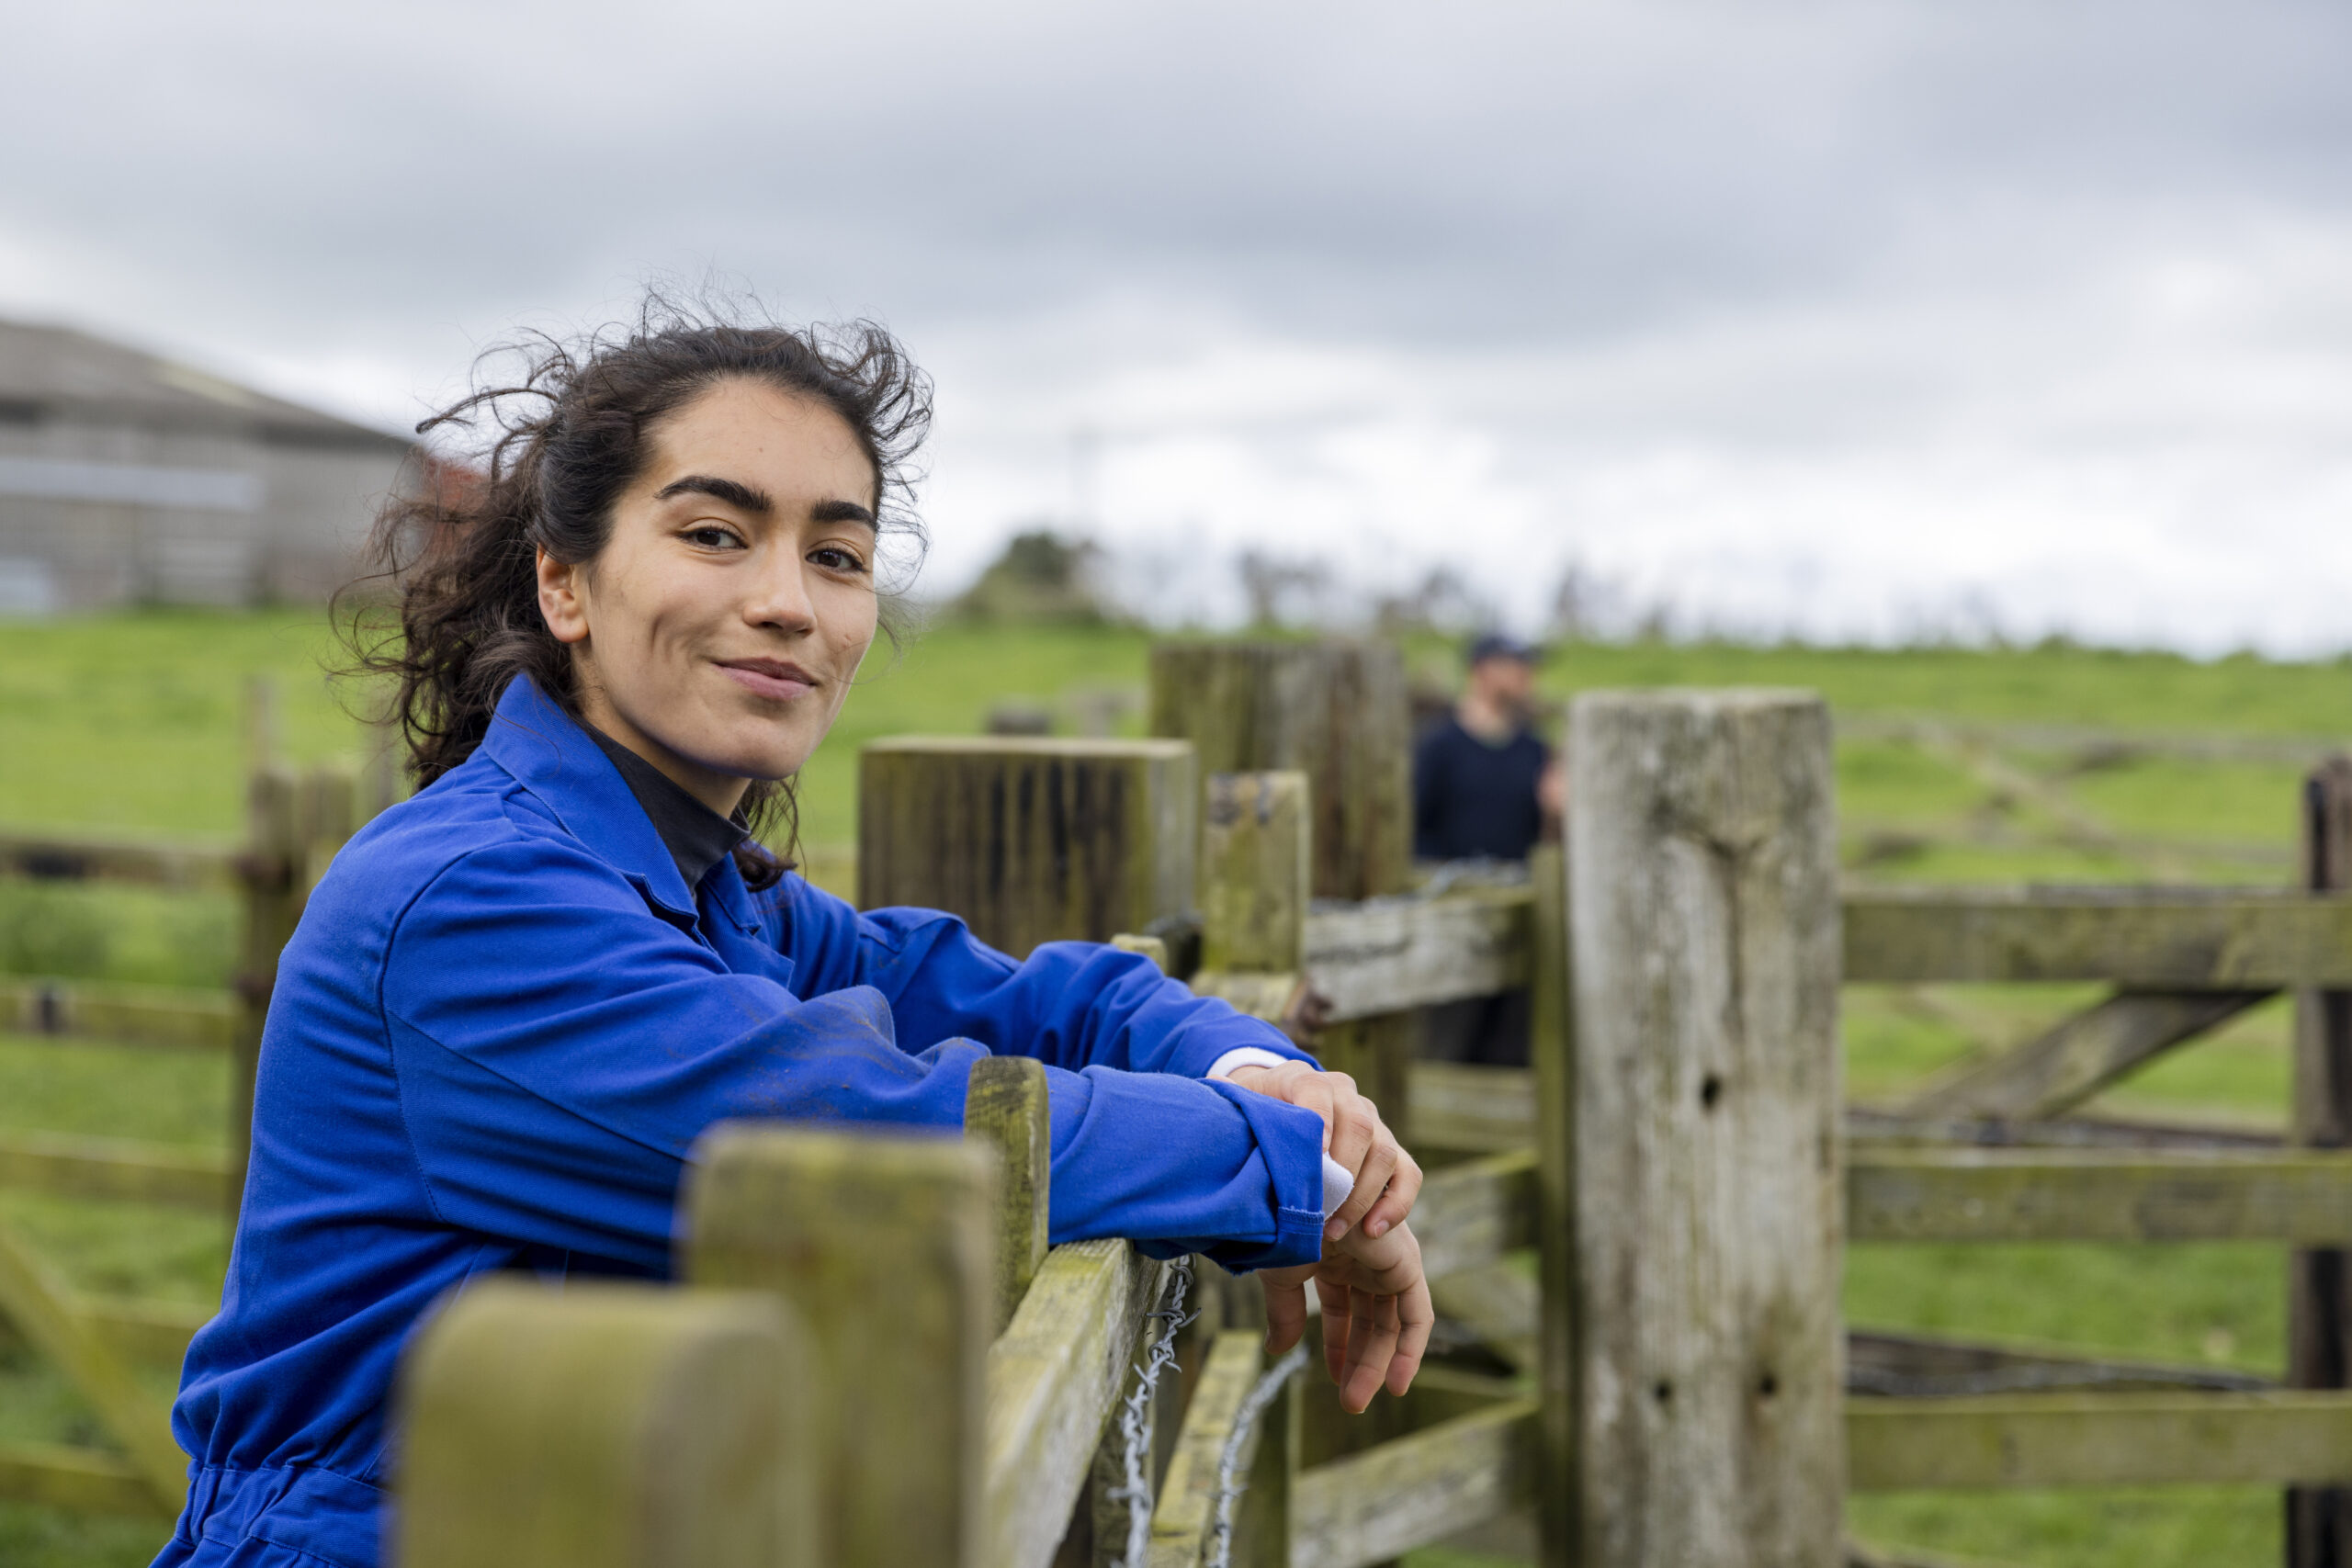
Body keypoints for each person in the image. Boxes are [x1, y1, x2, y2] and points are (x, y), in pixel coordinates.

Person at [153, 308, 1430, 1568]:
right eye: (715, 533)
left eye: (838, 555)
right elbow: (880, 1132)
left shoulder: (704, 881)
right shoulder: (479, 898)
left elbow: (1027, 997)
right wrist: (1293, 1168)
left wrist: (1260, 1075)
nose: (787, 602)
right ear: (565, 580)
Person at [1412, 631, 1561, 1066]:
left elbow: (1545, 841)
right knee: (1445, 1046)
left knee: (1509, 1050)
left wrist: (1556, 812)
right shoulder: (1439, 746)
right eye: (1515, 666)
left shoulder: (1534, 749)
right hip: (1452, 924)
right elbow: (1416, 828)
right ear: (1481, 670)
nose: (1526, 677)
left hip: (1519, 923)